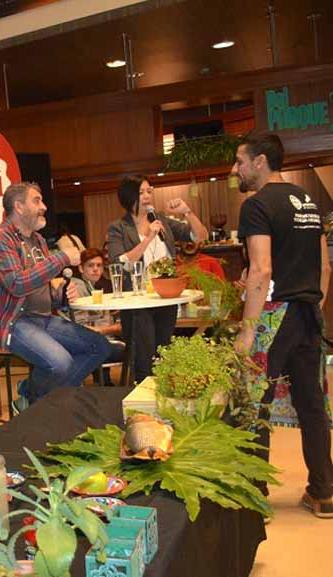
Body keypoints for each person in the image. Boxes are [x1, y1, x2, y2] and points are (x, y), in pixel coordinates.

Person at [232, 133, 333, 518]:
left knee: (253, 403)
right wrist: (313, 305)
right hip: (309, 313)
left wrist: (247, 330)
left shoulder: (256, 206)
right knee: (313, 406)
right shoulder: (309, 202)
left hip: (275, 317)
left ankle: (254, 497)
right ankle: (324, 492)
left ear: (260, 162)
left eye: (240, 161)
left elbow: (261, 270)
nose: (235, 169)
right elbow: (324, 267)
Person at [0, 182, 110, 410]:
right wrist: (61, 258)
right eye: (37, 201)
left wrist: (59, 293)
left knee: (99, 346)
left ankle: (34, 397)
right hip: (12, 322)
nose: (44, 207)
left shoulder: (38, 241)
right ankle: (40, 402)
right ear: (19, 207)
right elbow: (17, 284)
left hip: (42, 318)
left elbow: (40, 285)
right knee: (61, 363)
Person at [106, 176, 207, 383]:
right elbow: (121, 262)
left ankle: (161, 403)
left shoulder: (161, 220)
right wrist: (149, 237)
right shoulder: (118, 228)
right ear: (128, 196)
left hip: (165, 297)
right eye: (141, 192)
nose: (146, 196)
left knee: (163, 355)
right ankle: (143, 405)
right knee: (144, 359)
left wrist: (187, 212)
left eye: (149, 191)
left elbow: (200, 236)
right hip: (137, 302)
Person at [72, 248, 125, 385]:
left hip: (100, 339)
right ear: (81, 268)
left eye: (99, 265)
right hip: (88, 344)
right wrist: (113, 328)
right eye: (90, 265)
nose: (95, 269)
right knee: (134, 348)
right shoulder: (78, 288)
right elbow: (82, 327)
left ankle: (104, 382)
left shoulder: (96, 286)